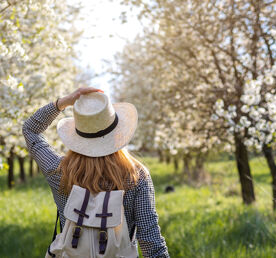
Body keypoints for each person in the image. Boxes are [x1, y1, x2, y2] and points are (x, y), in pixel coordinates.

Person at [22, 87, 169, 258]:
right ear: (118, 134)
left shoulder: (59, 171)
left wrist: (62, 103)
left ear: (77, 136)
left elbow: (30, 130)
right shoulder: (136, 176)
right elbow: (152, 244)